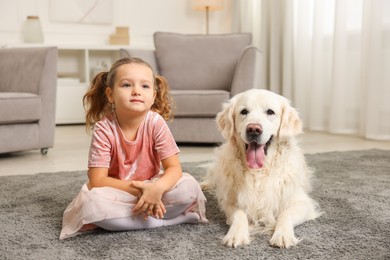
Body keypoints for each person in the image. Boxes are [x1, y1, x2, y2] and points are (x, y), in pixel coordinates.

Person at [60, 57, 207, 239]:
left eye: (145, 86)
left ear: (153, 96)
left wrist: (157, 188)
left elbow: (174, 168)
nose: (136, 91)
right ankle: (167, 221)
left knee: (189, 187)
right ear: (110, 94)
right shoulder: (104, 129)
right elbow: (97, 180)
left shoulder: (155, 122)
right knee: (92, 203)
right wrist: (143, 190)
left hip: (155, 188)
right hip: (120, 193)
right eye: (127, 85)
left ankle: (138, 219)